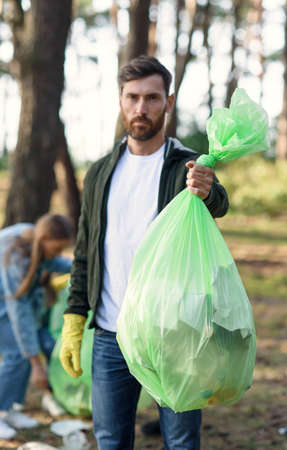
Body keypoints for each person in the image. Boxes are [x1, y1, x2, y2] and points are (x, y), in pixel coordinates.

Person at [60, 55, 229, 450]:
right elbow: (86, 249)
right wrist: (74, 315)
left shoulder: (187, 164)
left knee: (182, 442)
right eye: (132, 97)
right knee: (110, 440)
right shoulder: (100, 172)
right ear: (120, 101)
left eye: (152, 98)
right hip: (110, 333)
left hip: (173, 332)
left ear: (168, 102)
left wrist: (208, 191)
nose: (141, 108)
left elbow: (218, 204)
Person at [0, 213, 73, 439]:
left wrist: (83, 265)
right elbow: (18, 311)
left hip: (10, 302)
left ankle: (9, 407)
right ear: (43, 239)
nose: (59, 252)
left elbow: (54, 261)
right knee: (17, 355)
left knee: (22, 353)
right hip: (7, 305)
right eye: (57, 247)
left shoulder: (33, 235)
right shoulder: (14, 255)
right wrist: (36, 363)